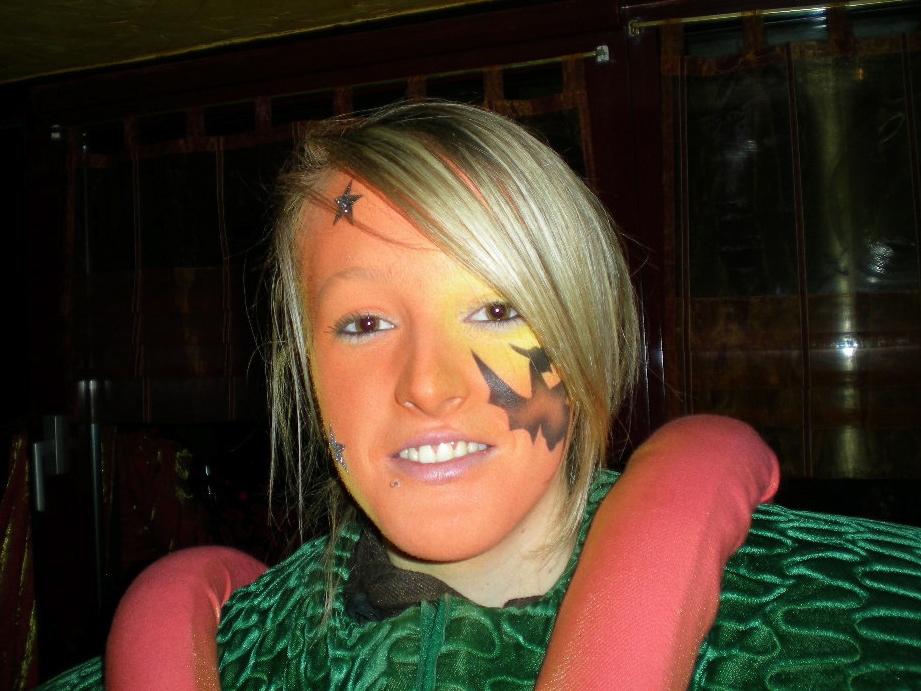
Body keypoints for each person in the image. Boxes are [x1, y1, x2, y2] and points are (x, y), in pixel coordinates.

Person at [36, 102, 921, 691]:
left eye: (496, 310)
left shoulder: (838, 622)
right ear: (305, 370)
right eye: (363, 323)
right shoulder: (231, 656)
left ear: (581, 332)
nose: (428, 384)